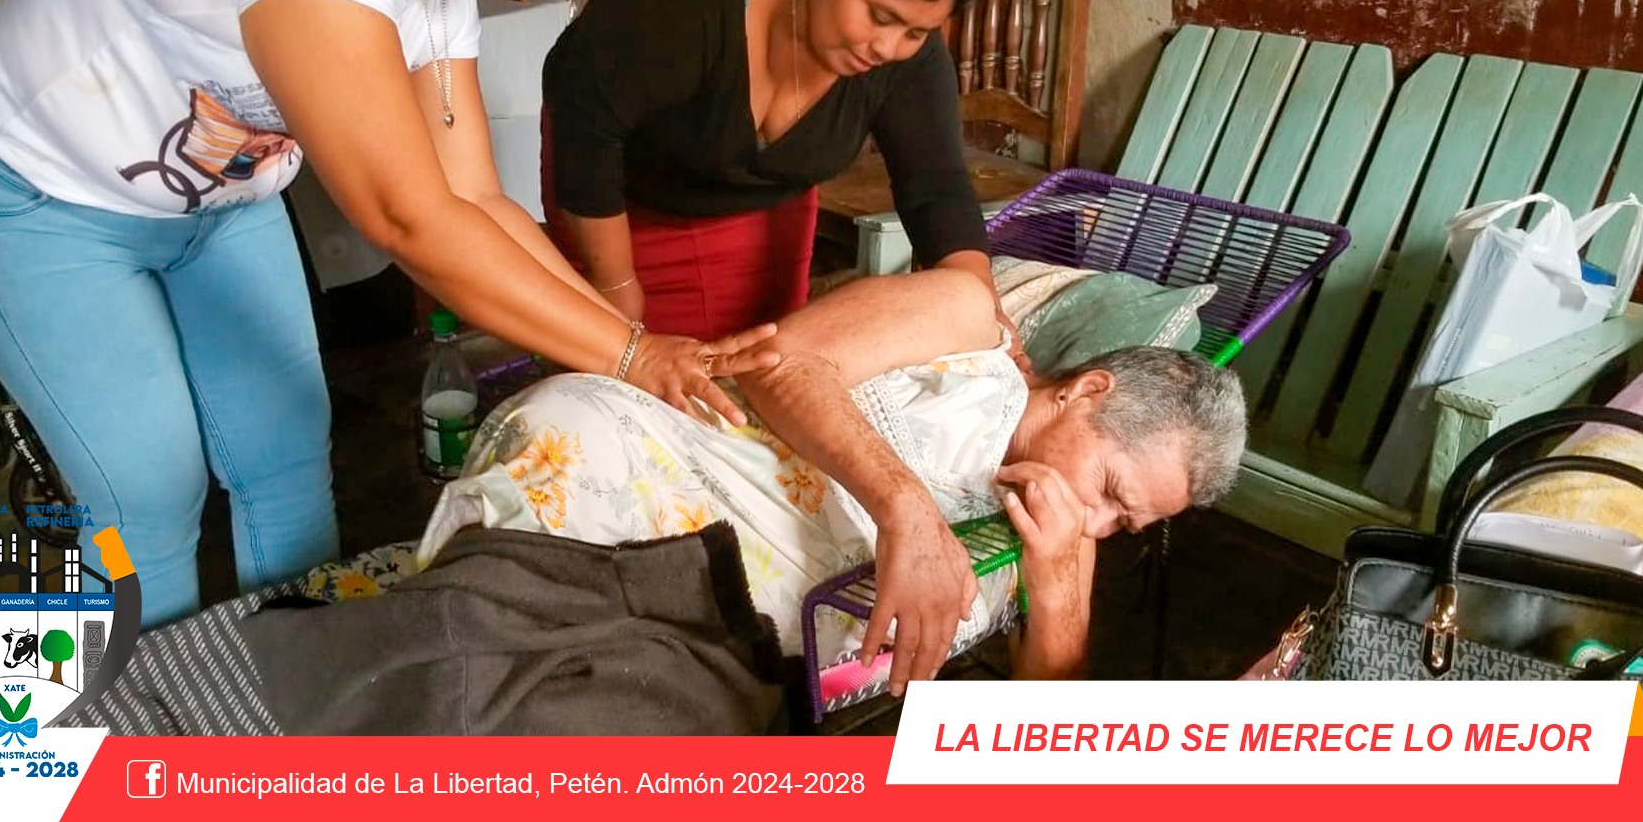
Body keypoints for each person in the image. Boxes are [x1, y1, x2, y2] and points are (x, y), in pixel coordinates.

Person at [0, 0, 772, 629]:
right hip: (39, 192)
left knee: (284, 449)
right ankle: (147, 703)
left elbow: (474, 198)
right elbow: (410, 220)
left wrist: (635, 348)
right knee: (146, 487)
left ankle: (296, 673)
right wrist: (629, 358)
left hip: (219, 204)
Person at [422, 269, 1247, 691]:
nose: (1097, 522)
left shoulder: (1058, 545)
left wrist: (1063, 593)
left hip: (731, 636)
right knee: (514, 597)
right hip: (668, 465)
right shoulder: (969, 329)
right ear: (1086, 392)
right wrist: (907, 509)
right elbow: (780, 366)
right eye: (1110, 491)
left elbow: (1037, 776)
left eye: (1125, 527)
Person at [543, 0, 1000, 342]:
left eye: (916, 32)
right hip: (614, 208)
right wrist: (616, 291)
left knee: (756, 368)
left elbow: (936, 184)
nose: (888, 47)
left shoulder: (906, 47)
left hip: (760, 224)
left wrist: (980, 309)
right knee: (613, 369)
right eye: (880, 16)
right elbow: (588, 125)